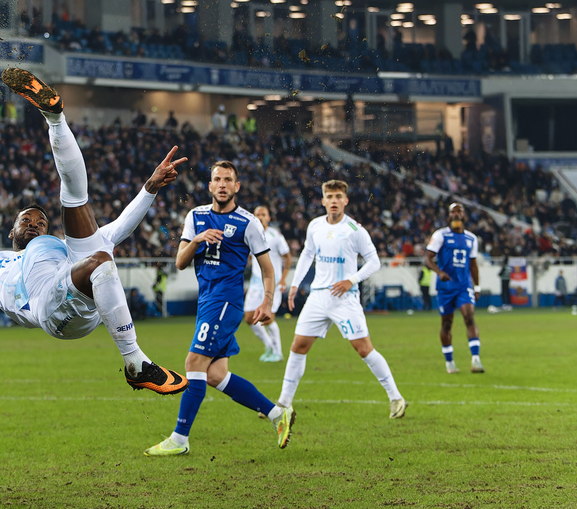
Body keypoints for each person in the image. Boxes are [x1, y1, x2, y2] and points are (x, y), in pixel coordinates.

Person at [0, 68, 187, 396]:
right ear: (11, 232)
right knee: (99, 258)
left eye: (40, 221)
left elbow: (119, 228)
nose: (33, 223)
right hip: (47, 308)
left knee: (80, 209)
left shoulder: (59, 247)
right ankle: (135, 362)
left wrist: (149, 187)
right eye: (26, 220)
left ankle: (54, 117)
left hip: (70, 284)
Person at [144, 160, 283, 457]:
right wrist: (197, 239)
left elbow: (268, 270)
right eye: (217, 179)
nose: (222, 184)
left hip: (226, 302)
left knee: (194, 363)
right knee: (216, 375)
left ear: (237, 186)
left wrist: (267, 302)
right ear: (209, 186)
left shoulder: (249, 223)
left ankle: (179, 439)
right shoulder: (196, 216)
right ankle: (277, 415)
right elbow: (180, 262)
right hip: (206, 301)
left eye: (228, 180)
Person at [275, 180, 406, 450]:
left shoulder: (355, 230)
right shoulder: (315, 226)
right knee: (298, 346)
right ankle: (284, 403)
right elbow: (307, 255)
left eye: (338, 196)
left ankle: (395, 397)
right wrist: (295, 283)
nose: (333, 200)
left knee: (363, 349)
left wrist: (351, 280)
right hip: (318, 296)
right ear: (323, 201)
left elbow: (374, 261)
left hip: (344, 297)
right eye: (329, 196)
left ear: (345, 201)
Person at [425, 202, 483, 375]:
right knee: (447, 324)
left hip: (463, 286)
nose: (456, 214)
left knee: (469, 316)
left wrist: (477, 286)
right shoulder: (440, 235)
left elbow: (473, 265)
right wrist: (439, 272)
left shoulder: (471, 238)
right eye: (453, 212)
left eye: (459, 211)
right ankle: (449, 362)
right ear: (449, 215)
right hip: (445, 288)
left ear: (464, 215)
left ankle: (476, 360)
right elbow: (428, 258)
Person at [243, 205, 291, 362]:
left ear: (269, 218)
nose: (260, 216)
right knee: (249, 317)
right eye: (257, 214)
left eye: (263, 214)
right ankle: (269, 344)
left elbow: (288, 257)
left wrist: (283, 279)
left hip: (272, 283)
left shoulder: (275, 235)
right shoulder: (251, 234)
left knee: (268, 318)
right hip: (256, 283)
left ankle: (278, 352)